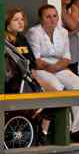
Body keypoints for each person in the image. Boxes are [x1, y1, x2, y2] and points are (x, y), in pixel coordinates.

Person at [26, 4, 79, 143]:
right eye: (48, 16)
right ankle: (62, 130)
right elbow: (35, 60)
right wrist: (50, 67)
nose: (52, 19)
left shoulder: (63, 32)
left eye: (55, 16)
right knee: (56, 86)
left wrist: (57, 67)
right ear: (41, 19)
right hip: (41, 69)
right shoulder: (34, 32)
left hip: (59, 67)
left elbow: (67, 57)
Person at [4, 8, 52, 144]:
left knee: (55, 95)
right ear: (8, 23)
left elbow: (32, 61)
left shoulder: (22, 38)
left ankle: (43, 133)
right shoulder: (6, 40)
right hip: (16, 82)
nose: (20, 22)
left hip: (29, 77)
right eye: (16, 20)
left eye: (22, 19)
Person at [59, 0, 79, 75]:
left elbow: (74, 26)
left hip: (73, 56)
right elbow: (75, 27)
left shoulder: (70, 9)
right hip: (62, 57)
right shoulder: (57, 11)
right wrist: (76, 30)